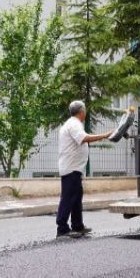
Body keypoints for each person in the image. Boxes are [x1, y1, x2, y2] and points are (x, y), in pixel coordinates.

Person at [56, 101, 112, 238]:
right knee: (68, 198)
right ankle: (62, 229)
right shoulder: (73, 124)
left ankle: (78, 226)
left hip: (74, 168)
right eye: (85, 110)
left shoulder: (73, 123)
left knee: (76, 198)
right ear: (82, 111)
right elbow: (83, 138)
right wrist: (104, 135)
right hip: (71, 168)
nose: (85, 112)